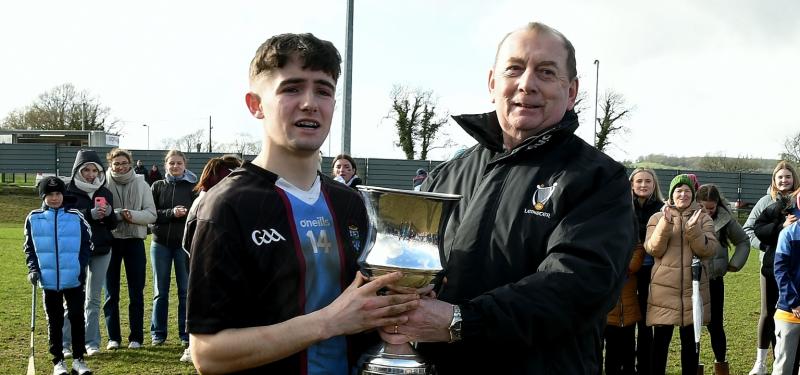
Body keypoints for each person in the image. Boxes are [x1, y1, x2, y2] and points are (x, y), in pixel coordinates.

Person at [379, 22, 635, 373]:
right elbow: (417, 267)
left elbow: (575, 286)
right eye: (514, 68)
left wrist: (460, 321)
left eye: (546, 72)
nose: (527, 83)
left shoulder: (598, 179)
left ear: (572, 91)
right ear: (492, 83)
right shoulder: (446, 176)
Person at [186, 33, 421, 374]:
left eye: (323, 90)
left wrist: (405, 295)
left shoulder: (352, 204)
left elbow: (369, 309)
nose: (310, 102)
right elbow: (208, 354)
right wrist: (329, 322)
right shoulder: (226, 206)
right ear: (255, 105)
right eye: (291, 88)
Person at [645, 174, 718, 375]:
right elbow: (652, 249)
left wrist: (694, 230)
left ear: (693, 194)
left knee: (691, 343)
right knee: (660, 343)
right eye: (679, 191)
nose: (683, 194)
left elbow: (709, 250)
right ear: (671, 194)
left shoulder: (703, 218)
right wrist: (665, 225)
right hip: (663, 290)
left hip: (693, 290)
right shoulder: (657, 218)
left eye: (687, 191)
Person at [24, 176, 93, 375]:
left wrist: (79, 266)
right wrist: (33, 269)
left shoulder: (76, 216)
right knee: (54, 321)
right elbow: (29, 248)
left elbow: (88, 244)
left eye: (58, 194)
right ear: (43, 196)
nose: (54, 198)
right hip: (48, 280)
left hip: (74, 278)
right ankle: (58, 361)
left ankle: (79, 360)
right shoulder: (33, 218)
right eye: (50, 194)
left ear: (63, 195)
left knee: (77, 318)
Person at [178, 154, 242, 364]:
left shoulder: (239, 198)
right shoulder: (205, 200)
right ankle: (192, 346)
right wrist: (201, 261)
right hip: (207, 267)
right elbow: (188, 240)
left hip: (232, 267)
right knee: (200, 306)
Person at [745, 161, 800, 375]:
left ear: (794, 178)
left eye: (788, 176)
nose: (784, 180)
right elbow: (752, 229)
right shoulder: (768, 202)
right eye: (780, 177)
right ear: (774, 180)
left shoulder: (797, 200)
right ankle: (762, 361)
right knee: (770, 312)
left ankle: (786, 359)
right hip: (771, 266)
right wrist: (776, 235)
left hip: (795, 271)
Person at [61, 149, 117, 358]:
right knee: (72, 297)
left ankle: (91, 342)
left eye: (95, 170)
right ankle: (66, 343)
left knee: (93, 299)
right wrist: (89, 215)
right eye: (87, 170)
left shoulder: (105, 192)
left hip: (102, 250)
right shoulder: (67, 191)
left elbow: (112, 225)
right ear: (78, 170)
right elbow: (65, 220)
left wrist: (110, 214)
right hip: (76, 250)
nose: (91, 174)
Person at [104, 148, 156, 350]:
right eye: (116, 163)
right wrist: (116, 215)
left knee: (136, 292)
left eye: (124, 163)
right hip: (111, 241)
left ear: (131, 163)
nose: (121, 166)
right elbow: (101, 213)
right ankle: (113, 338)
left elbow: (151, 214)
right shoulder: (103, 183)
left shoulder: (142, 184)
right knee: (111, 293)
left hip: (134, 241)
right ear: (110, 164)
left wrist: (131, 215)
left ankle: (136, 337)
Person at [696, 184, 750, 375]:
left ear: (717, 204)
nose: (708, 211)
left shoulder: (725, 219)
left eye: (711, 208)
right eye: (703, 207)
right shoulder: (689, 216)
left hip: (714, 280)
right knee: (692, 327)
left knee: (716, 325)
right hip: (691, 282)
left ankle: (721, 365)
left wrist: (734, 264)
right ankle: (694, 366)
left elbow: (743, 241)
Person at [149, 149, 197, 349]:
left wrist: (186, 216)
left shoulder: (194, 187)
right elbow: (151, 214)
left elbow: (199, 213)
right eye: (172, 163)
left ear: (185, 165)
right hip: (160, 244)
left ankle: (185, 334)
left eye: (179, 163)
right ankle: (158, 334)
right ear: (165, 165)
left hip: (184, 246)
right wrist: (171, 213)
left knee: (185, 291)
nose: (175, 166)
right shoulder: (158, 186)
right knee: (160, 291)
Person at [629, 167, 664, 375]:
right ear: (632, 184)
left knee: (645, 320)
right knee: (624, 319)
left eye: (647, 182)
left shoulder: (661, 209)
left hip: (651, 270)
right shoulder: (621, 206)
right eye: (639, 181)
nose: (643, 185)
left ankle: (645, 366)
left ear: (654, 185)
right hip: (626, 270)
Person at [604, 238, 644, 375]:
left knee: (629, 349)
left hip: (628, 306)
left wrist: (625, 268)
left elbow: (638, 250)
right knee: (611, 350)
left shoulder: (627, 226)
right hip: (609, 309)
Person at [772, 191, 800, 375]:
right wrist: (794, 301)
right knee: (783, 367)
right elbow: (780, 271)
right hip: (789, 311)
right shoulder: (788, 233)